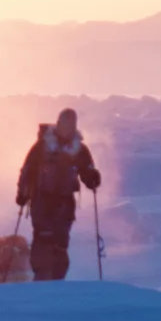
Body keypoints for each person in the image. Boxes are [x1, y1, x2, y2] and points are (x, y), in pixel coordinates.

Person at [15, 107, 101, 281]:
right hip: (42, 201)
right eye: (65, 123)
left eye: (72, 124)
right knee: (43, 238)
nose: (68, 127)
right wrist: (23, 192)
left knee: (60, 242)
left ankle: (57, 279)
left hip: (65, 204)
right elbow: (28, 170)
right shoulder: (42, 146)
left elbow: (87, 171)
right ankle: (41, 277)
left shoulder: (79, 149)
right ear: (58, 123)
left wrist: (92, 178)